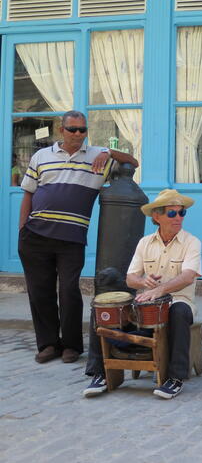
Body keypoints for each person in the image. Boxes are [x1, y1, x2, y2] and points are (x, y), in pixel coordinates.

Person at [18, 110, 138, 364]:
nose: (78, 134)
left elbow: (133, 162)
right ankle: (49, 344)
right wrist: (22, 231)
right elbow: (28, 193)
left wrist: (111, 152)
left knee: (69, 291)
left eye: (82, 130)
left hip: (72, 238)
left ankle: (72, 345)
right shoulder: (41, 156)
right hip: (35, 235)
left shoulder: (98, 157)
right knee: (40, 293)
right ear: (62, 130)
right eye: (72, 129)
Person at [83, 189, 202, 399]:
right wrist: (142, 281)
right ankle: (100, 373)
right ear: (156, 217)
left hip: (179, 301)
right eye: (172, 214)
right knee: (100, 311)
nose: (178, 218)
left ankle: (175, 378)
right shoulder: (145, 242)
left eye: (181, 213)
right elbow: (131, 278)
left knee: (179, 311)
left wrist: (159, 289)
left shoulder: (192, 242)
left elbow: (188, 277)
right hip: (146, 304)